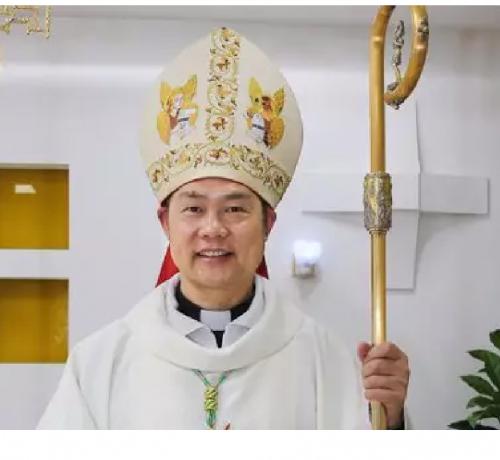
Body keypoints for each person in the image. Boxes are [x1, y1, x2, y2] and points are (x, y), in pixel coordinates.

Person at [36, 27, 411, 431]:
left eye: (234, 209)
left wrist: (389, 419)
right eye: (194, 208)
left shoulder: (323, 358)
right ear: (165, 223)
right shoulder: (100, 363)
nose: (213, 229)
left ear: (268, 224)